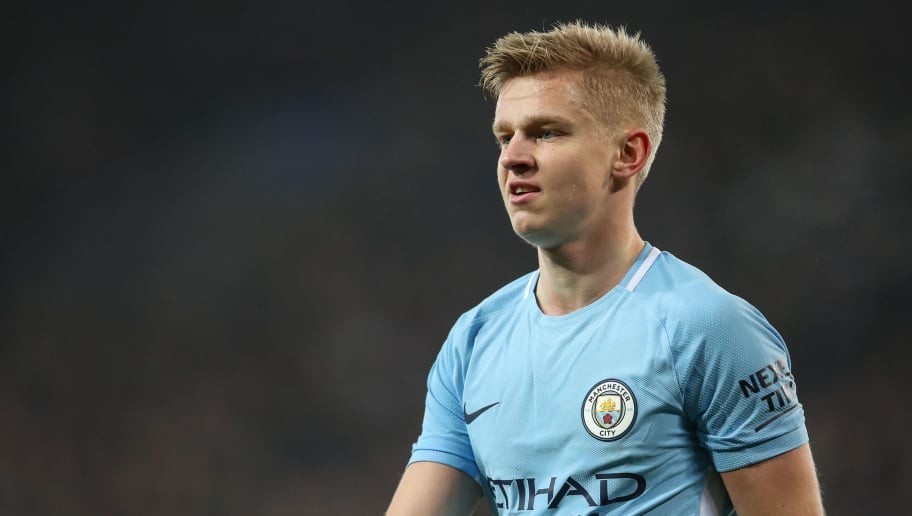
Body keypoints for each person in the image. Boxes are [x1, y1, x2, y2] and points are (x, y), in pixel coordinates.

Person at [387, 21, 824, 515]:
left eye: (546, 132)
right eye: (504, 137)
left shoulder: (708, 328)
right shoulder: (473, 342)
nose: (513, 158)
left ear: (628, 154)